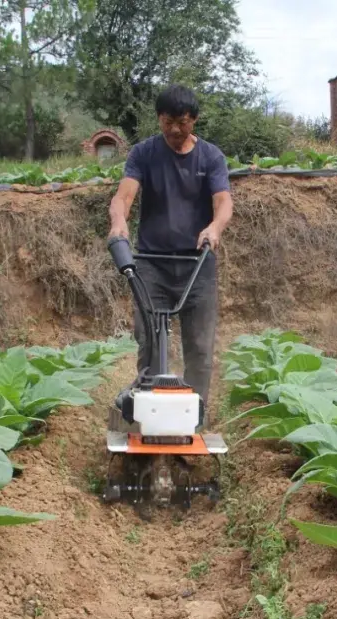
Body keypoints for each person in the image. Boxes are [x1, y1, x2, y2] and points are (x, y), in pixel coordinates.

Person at [108, 84, 233, 429]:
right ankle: (148, 419)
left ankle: (193, 422)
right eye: (167, 122)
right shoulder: (144, 154)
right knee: (148, 342)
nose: (175, 130)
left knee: (199, 348)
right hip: (151, 264)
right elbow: (123, 197)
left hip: (197, 266)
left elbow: (223, 202)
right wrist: (119, 222)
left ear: (194, 119)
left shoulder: (210, 157)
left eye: (182, 122)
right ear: (159, 119)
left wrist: (214, 228)